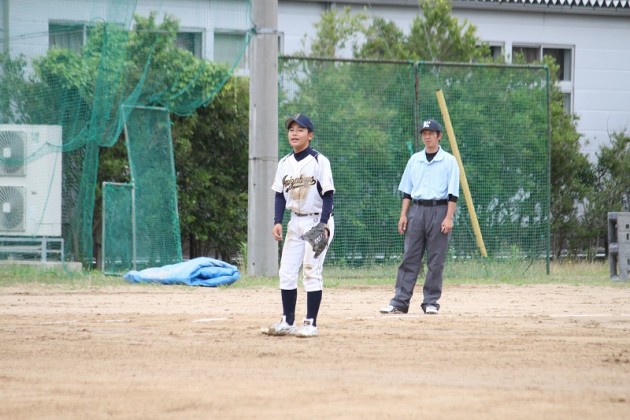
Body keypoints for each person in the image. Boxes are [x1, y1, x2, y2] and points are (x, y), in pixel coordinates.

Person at [262, 113, 335, 337]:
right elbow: (279, 196)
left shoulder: (319, 161)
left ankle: (311, 323)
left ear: (310, 135)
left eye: (300, 129)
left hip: (316, 220)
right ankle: (287, 321)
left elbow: (328, 195)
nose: (294, 133)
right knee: (286, 272)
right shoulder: (284, 163)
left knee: (311, 271)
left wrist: (323, 224)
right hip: (295, 221)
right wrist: (277, 221)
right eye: (291, 129)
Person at [380, 118, 460, 315]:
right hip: (417, 210)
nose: (427, 136)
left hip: (439, 209)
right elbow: (407, 191)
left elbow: (453, 194)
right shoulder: (415, 159)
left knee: (435, 259)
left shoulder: (449, 160)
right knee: (410, 256)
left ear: (439, 136)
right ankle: (400, 302)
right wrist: (403, 215)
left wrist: (448, 218)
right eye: (424, 133)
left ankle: (431, 302)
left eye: (431, 133)